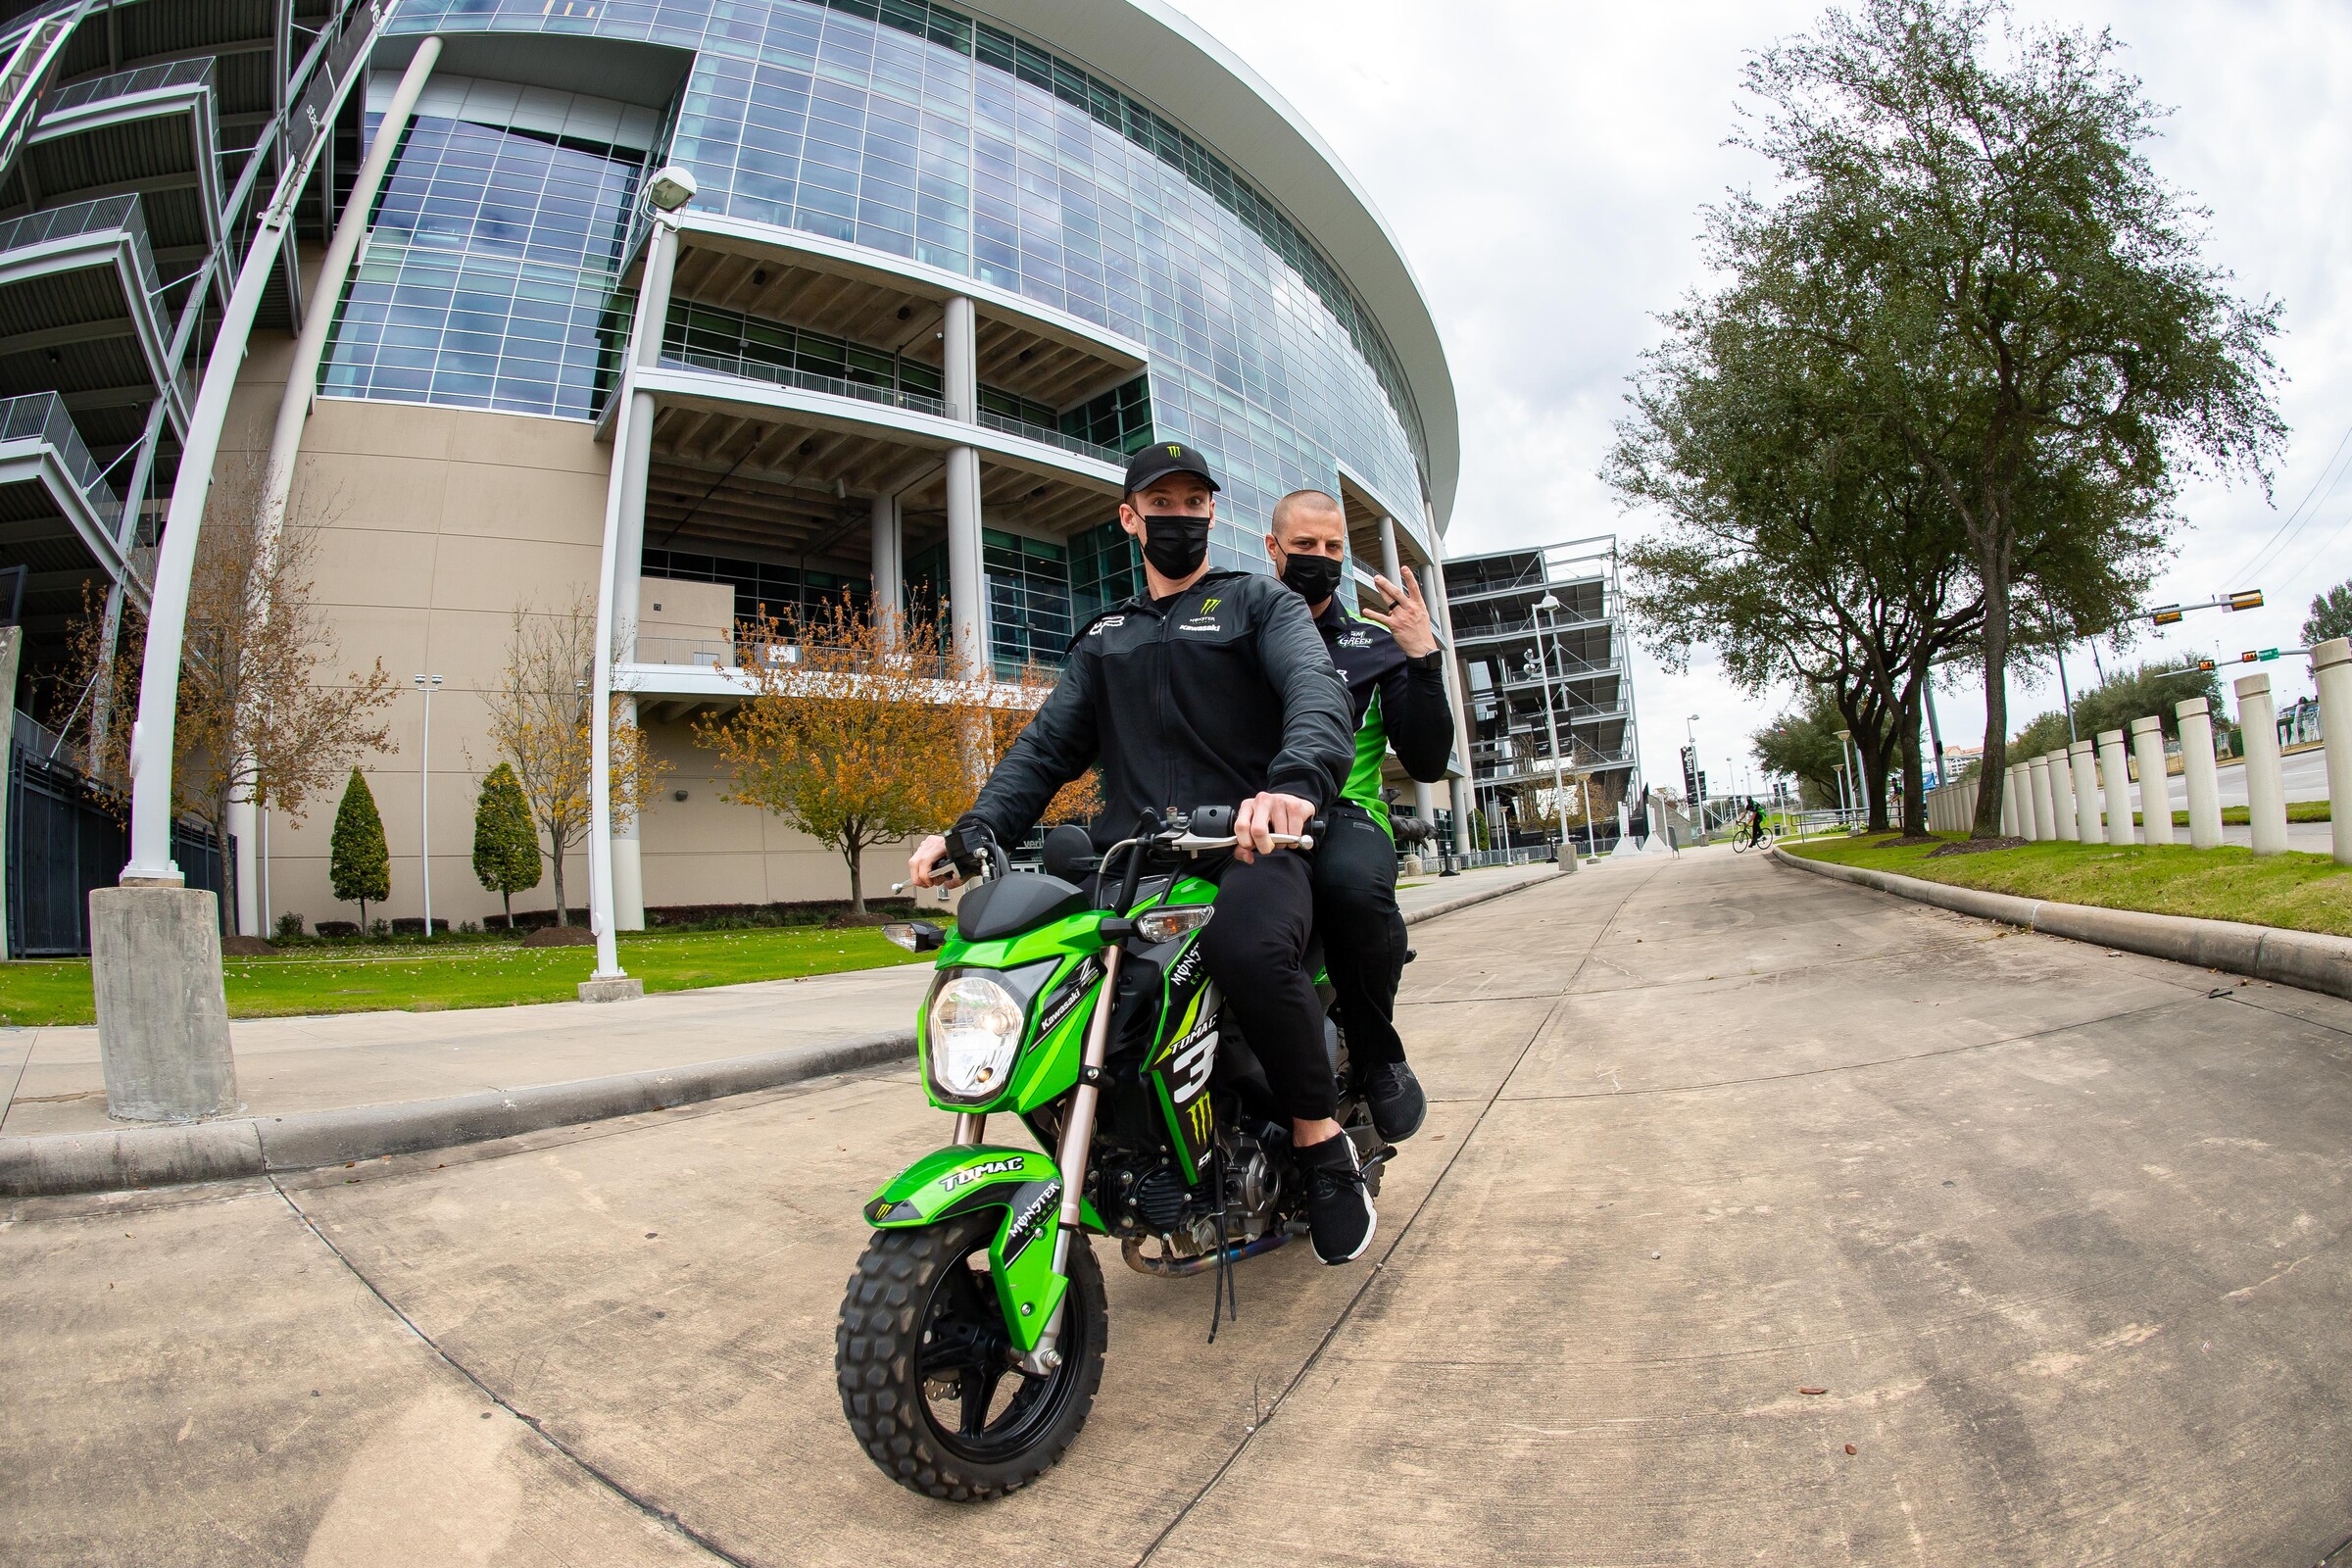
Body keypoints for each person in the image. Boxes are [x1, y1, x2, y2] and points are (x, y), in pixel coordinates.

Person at [906, 444, 1379, 1264]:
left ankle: (1318, 1141)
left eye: (1194, 502)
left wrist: (1292, 786)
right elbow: (1046, 748)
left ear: (1211, 513)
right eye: (1162, 504)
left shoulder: (1257, 603)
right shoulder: (1107, 638)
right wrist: (975, 828)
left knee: (1247, 947)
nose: (1180, 516)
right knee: (1042, 971)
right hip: (1133, 866)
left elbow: (1316, 691)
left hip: (1248, 849)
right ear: (1131, 518)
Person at [1263, 490, 1453, 1145]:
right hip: (1251, 816)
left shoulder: (1372, 643)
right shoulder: (1240, 632)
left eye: (1333, 547)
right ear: (1272, 549)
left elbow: (1427, 761)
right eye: (1304, 546)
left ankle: (1377, 1056)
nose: (1319, 558)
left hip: (1345, 813)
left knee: (1351, 888)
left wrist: (1422, 657)